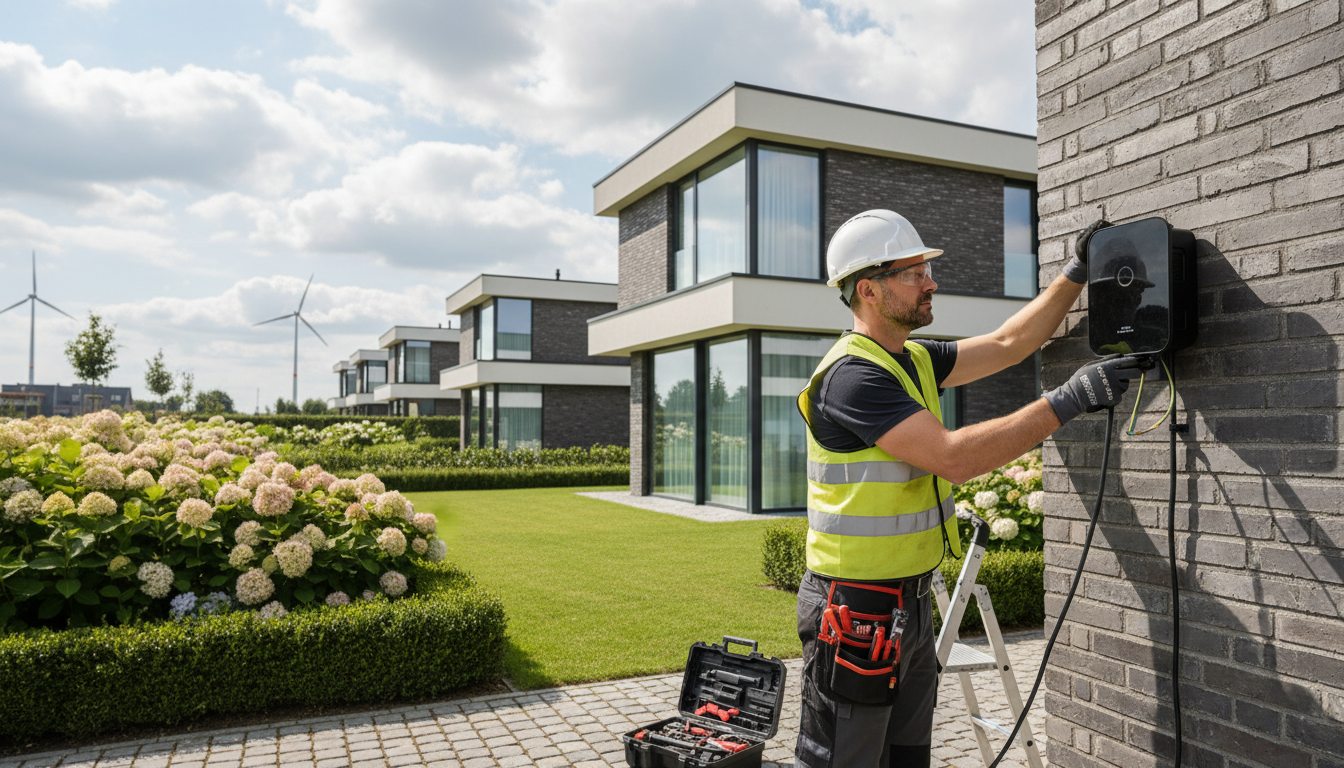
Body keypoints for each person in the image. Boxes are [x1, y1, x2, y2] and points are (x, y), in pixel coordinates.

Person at [794, 210, 1141, 768]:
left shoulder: (913, 360)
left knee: (908, 757)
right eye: (914, 273)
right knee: (845, 760)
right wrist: (1069, 399)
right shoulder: (853, 378)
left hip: (908, 601)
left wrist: (1076, 271)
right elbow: (954, 457)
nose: (931, 282)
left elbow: (1010, 342)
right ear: (870, 290)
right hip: (854, 609)